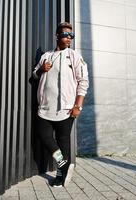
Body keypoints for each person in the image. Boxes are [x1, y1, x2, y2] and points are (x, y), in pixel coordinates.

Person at [32, 22, 89, 187]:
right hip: (44, 108)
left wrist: (78, 105)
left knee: (63, 140)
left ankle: (60, 175)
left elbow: (83, 81)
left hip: (66, 108)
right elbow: (34, 75)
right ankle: (64, 164)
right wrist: (41, 69)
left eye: (71, 35)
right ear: (57, 35)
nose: (69, 38)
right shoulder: (46, 56)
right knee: (45, 137)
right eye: (65, 34)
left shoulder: (74, 56)